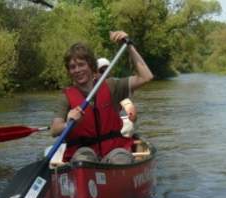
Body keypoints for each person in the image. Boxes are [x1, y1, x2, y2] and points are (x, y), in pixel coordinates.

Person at [50, 31, 153, 164]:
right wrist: (68, 122)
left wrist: (129, 46)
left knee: (120, 159)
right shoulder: (65, 96)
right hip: (83, 153)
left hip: (114, 150)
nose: (77, 70)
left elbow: (146, 77)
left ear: (91, 66)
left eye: (81, 65)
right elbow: (54, 130)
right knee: (83, 159)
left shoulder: (112, 86)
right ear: (69, 71)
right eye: (72, 67)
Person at [97, 57, 137, 138]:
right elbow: (132, 114)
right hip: (118, 126)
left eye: (106, 70)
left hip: (111, 127)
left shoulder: (93, 87)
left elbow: (132, 113)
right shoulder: (118, 84)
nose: (105, 73)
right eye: (103, 71)